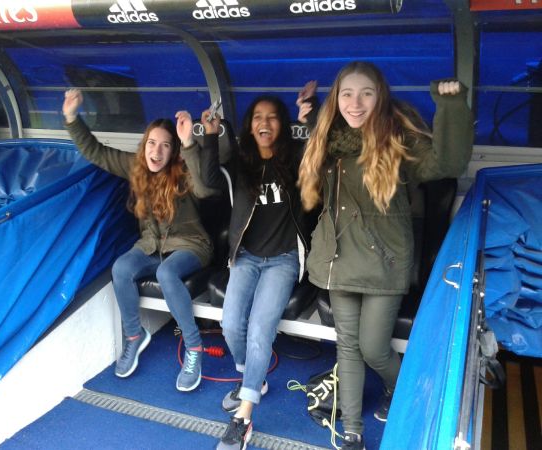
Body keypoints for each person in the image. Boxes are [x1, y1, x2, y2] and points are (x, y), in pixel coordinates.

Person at [297, 61, 474, 449]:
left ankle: (406, 389)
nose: (355, 103)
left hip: (384, 261)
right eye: (347, 94)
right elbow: (328, 138)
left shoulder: (398, 139)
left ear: (381, 97)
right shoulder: (328, 138)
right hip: (338, 257)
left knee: (374, 348)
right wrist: (309, 117)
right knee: (348, 347)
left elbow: (449, 163)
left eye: (366, 94)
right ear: (336, 99)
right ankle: (353, 432)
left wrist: (451, 107)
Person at [62, 88, 217, 392]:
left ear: (173, 151)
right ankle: (134, 335)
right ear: (144, 145)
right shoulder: (136, 167)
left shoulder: (184, 169)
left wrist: (188, 143)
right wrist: (71, 117)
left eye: (165, 145)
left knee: (167, 272)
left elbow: (206, 189)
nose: (156, 152)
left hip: (190, 245)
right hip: (151, 246)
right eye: (152, 143)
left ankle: (194, 347)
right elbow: (95, 151)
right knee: (121, 267)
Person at [194, 85, 318, 450]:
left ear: (282, 124)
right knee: (231, 324)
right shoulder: (241, 162)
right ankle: (253, 378)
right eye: (258, 117)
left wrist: (311, 117)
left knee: (261, 329)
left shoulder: (295, 158)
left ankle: (243, 417)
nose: (265, 123)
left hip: (283, 259)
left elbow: (320, 153)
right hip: (246, 257)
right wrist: (211, 136)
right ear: (250, 125)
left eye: (273, 117)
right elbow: (209, 180)